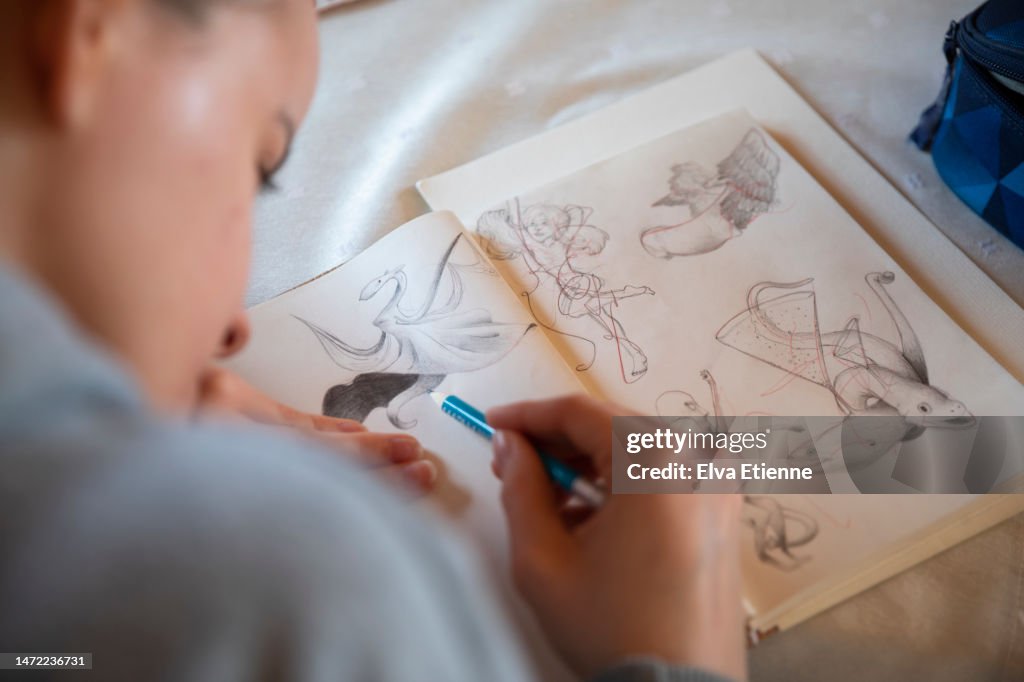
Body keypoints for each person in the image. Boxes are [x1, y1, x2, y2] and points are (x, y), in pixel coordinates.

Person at [0, 1, 746, 680]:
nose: (235, 327)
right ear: (95, 29)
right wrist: (680, 659)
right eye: (259, 168)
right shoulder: (284, 579)